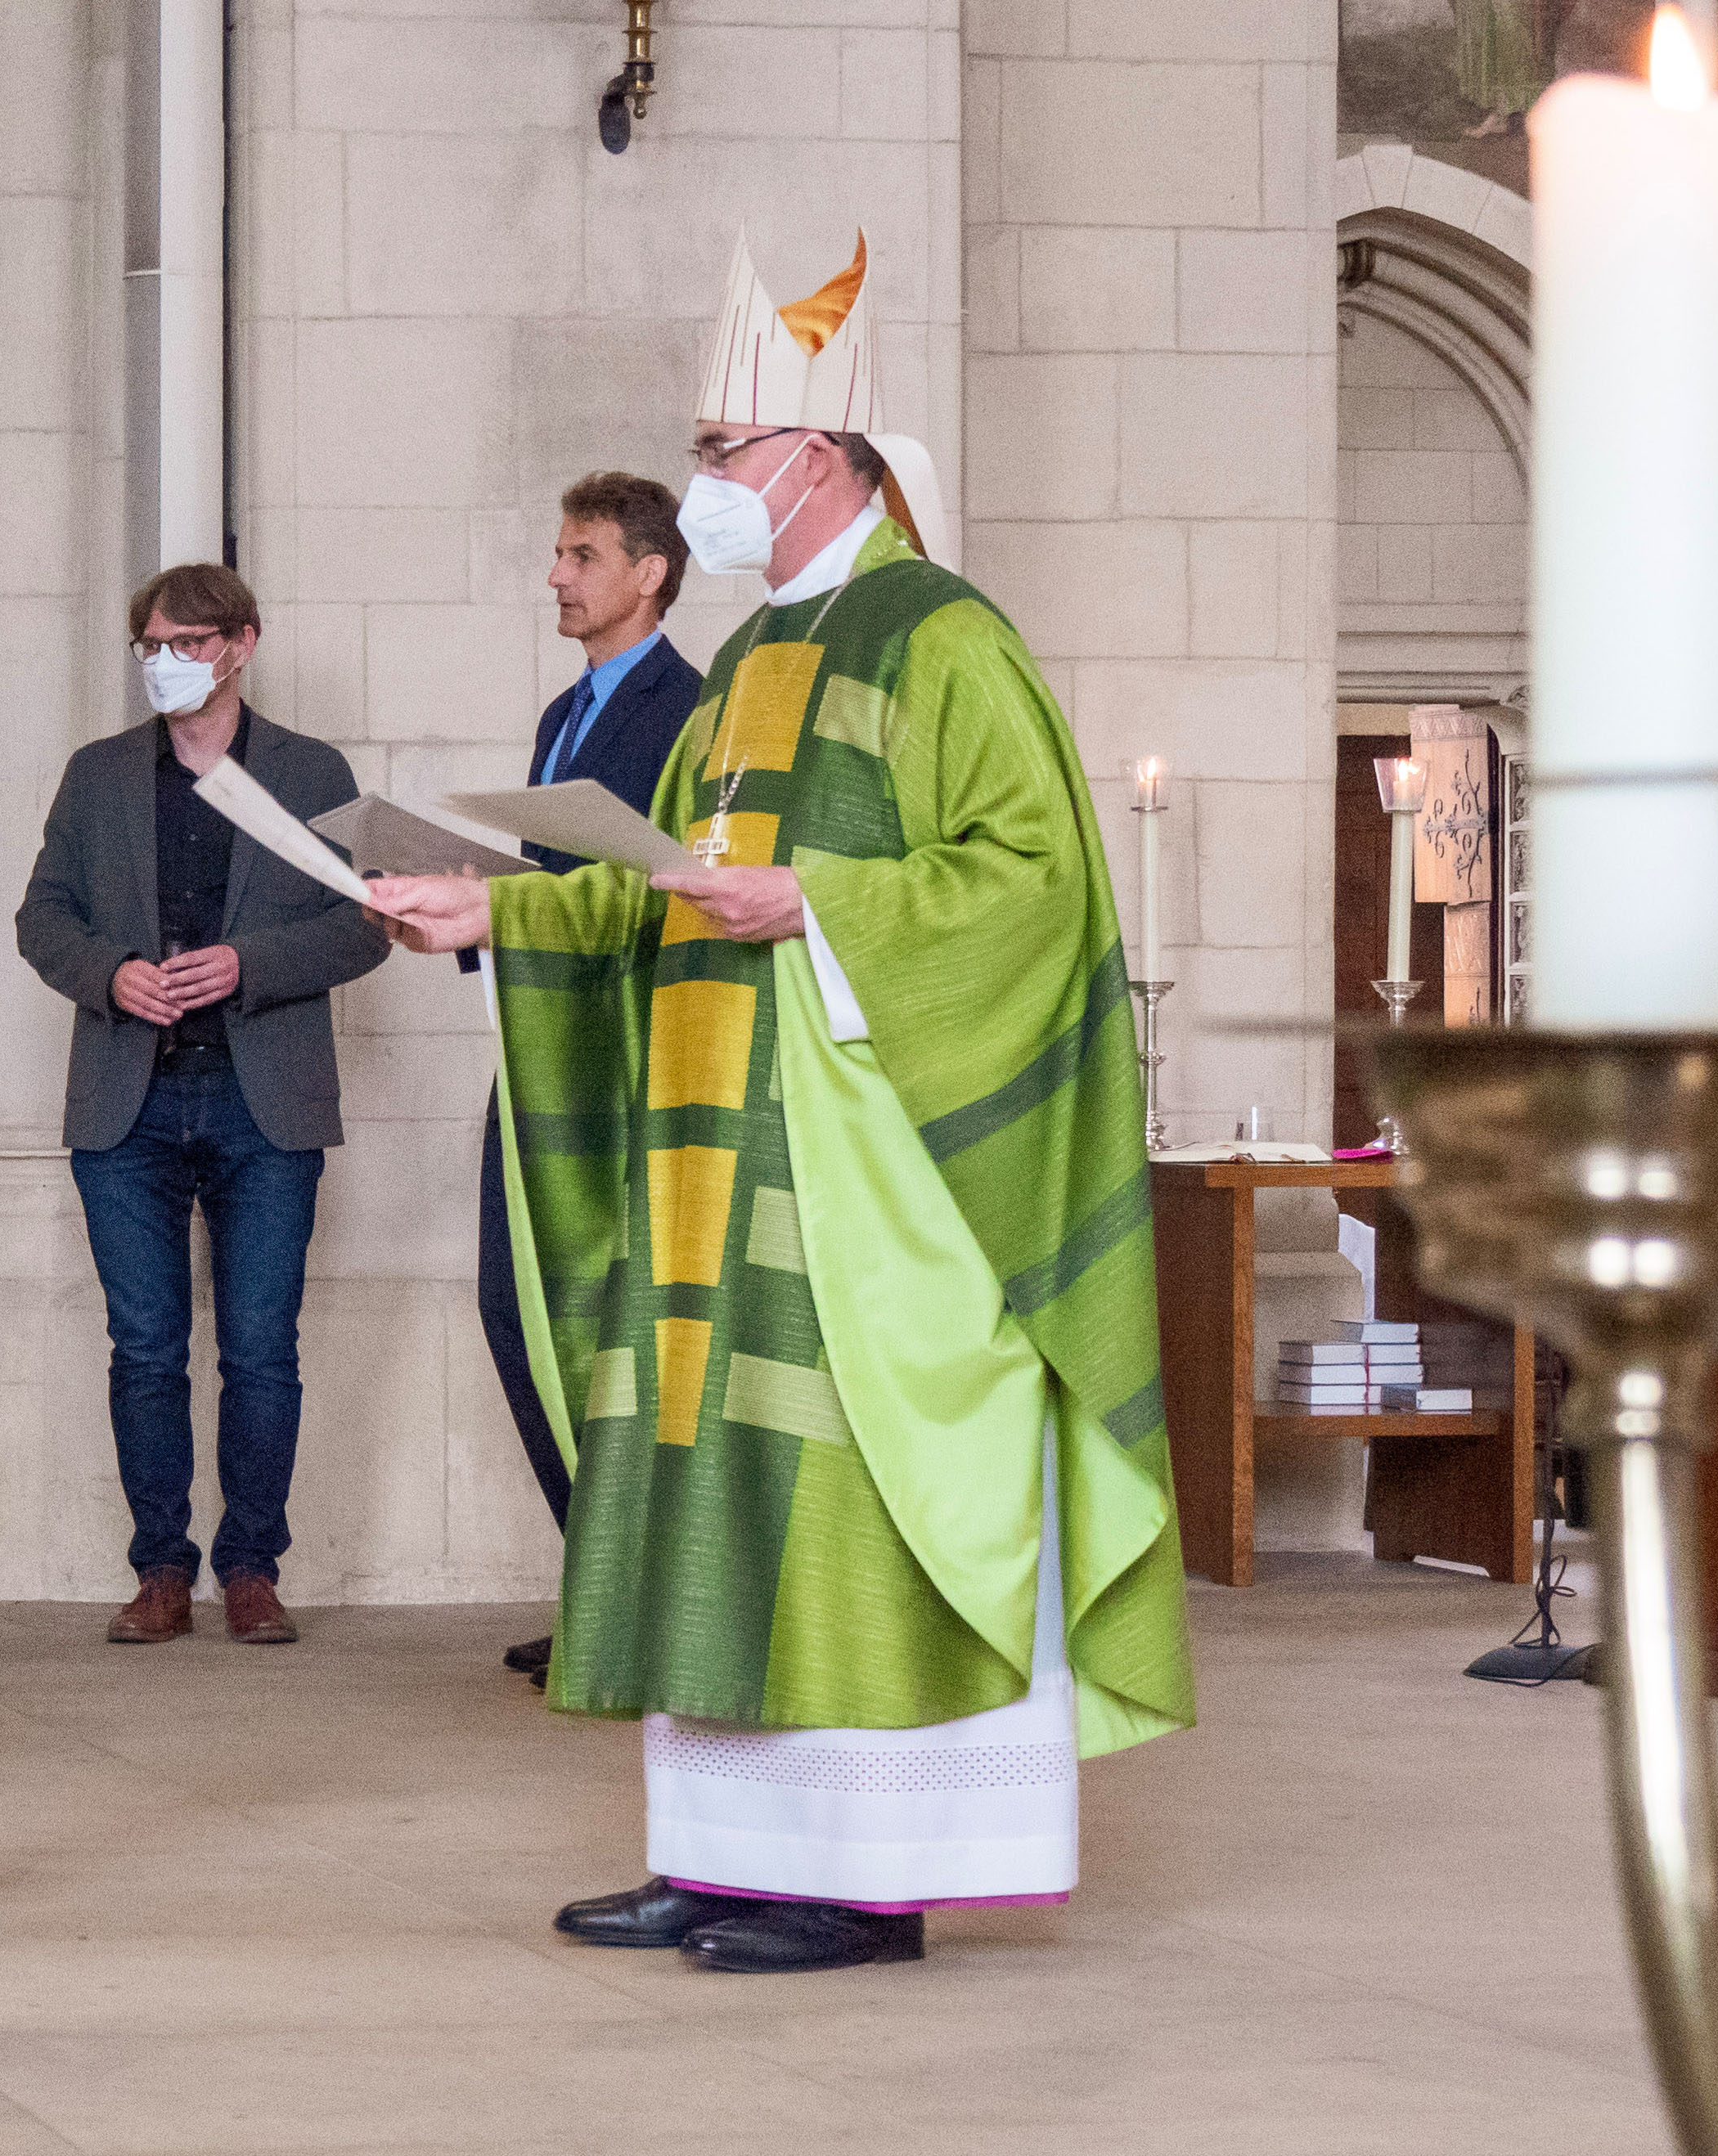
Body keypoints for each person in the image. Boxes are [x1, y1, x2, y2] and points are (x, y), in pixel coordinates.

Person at [369, 233, 1195, 1974]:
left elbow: (1037, 888)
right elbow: (659, 884)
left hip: (861, 1170)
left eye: (721, 450)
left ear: (816, 458)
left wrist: (815, 899)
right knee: (713, 1496)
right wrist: (492, 910)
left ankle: (870, 1878)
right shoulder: (747, 660)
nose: (706, 483)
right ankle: (724, 1853)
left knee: (841, 1498)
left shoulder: (944, 637)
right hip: (713, 1156)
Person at [14, 564, 389, 1648]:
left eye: (186, 643)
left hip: (261, 1101)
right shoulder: (98, 776)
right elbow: (42, 918)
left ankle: (253, 1569)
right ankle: (161, 1571)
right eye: (151, 644)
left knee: (261, 1348)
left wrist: (247, 964)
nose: (165, 662)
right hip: (126, 1102)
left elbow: (365, 925)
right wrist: (109, 974)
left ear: (241, 645)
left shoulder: (311, 771)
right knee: (145, 1348)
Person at [490, 474, 700, 1689]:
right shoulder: (561, 713)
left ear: (649, 574)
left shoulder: (693, 711)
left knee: (619, 1323)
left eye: (581, 555)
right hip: (538, 1039)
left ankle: (643, 1600)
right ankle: (603, 1579)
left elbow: (664, 883)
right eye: (559, 553)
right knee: (515, 1308)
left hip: (625, 1054)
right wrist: (466, 909)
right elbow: (550, 879)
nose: (557, 575)